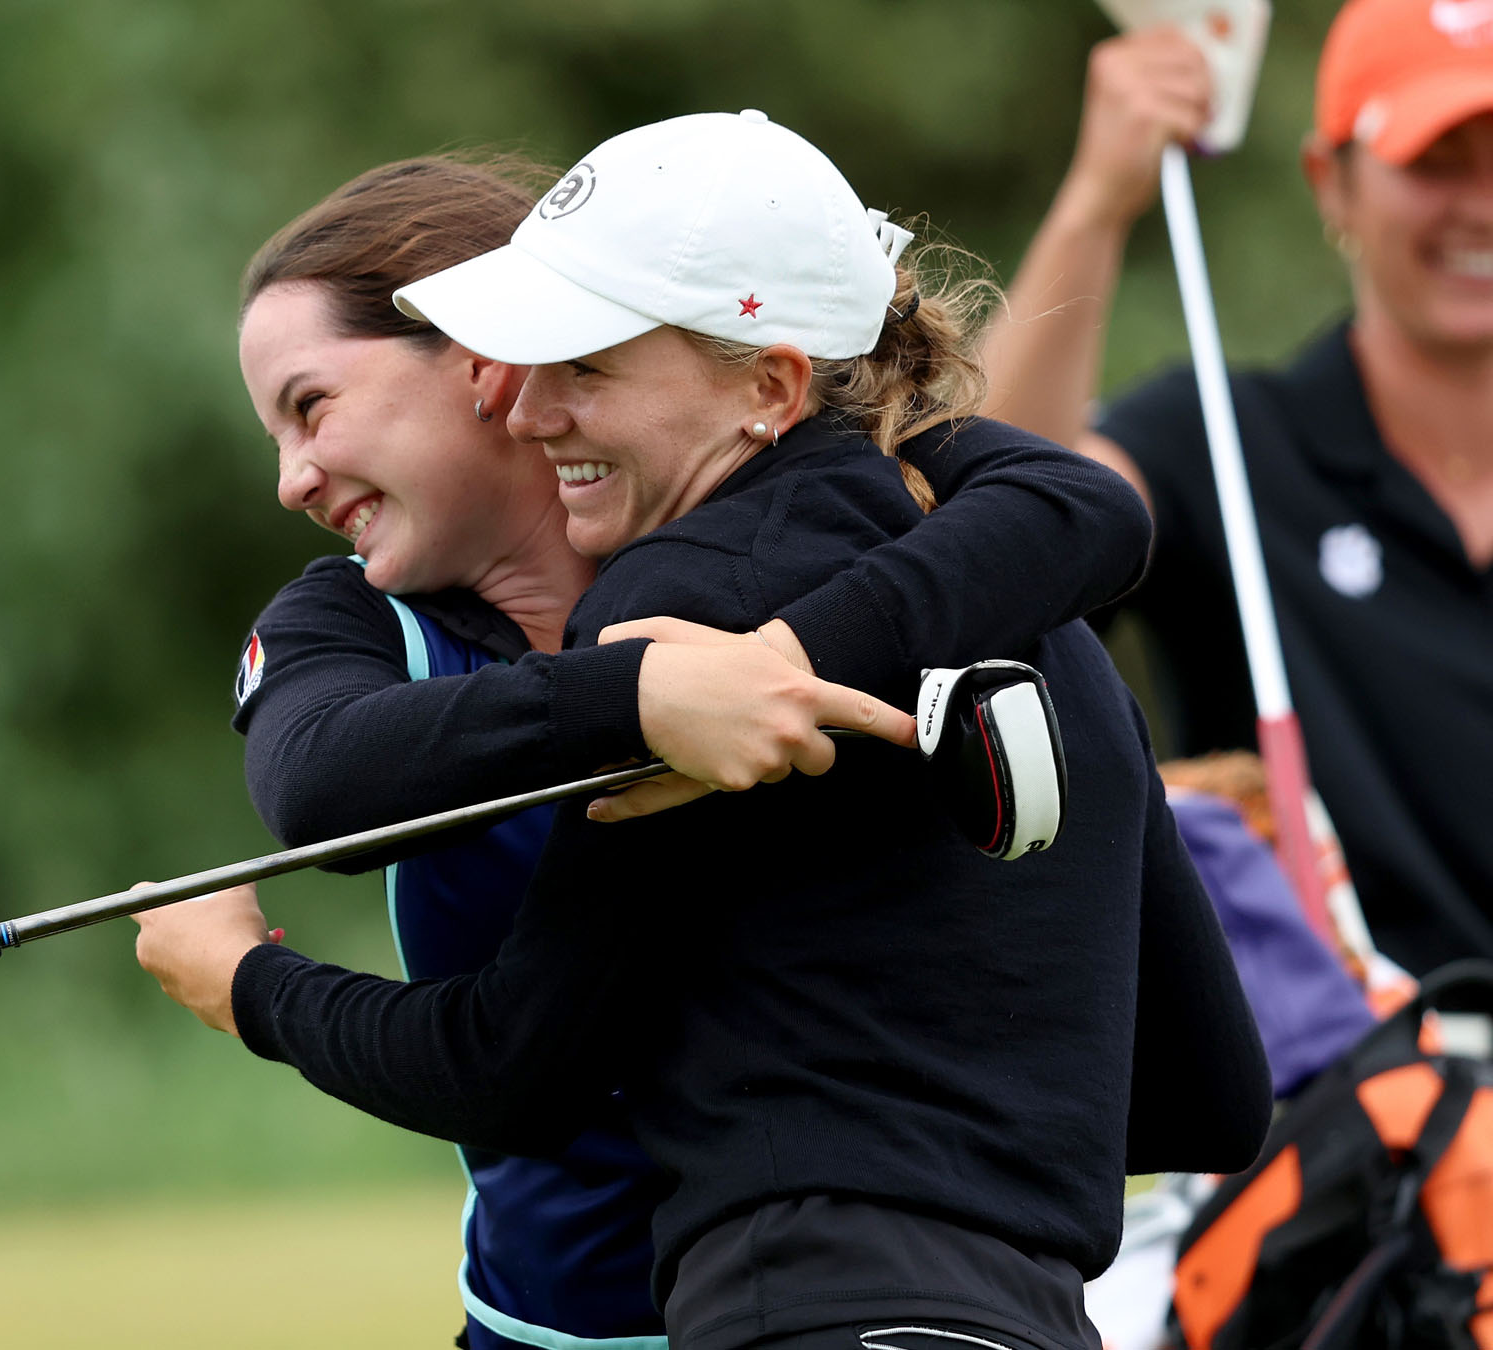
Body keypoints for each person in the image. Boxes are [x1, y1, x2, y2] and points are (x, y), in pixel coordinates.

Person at [138, 110, 1270, 1350]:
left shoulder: (701, 593)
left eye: (315, 407)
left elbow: (514, 1066)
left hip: (791, 1301)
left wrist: (254, 989)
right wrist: (638, 703)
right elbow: (321, 785)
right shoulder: (994, 579)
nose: (292, 478)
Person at [976, 0, 1493, 1318]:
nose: (1485, 207)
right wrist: (1100, 201)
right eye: (1437, 160)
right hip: (1305, 1156)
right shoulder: (1222, 437)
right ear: (1333, 183)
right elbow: (993, 547)